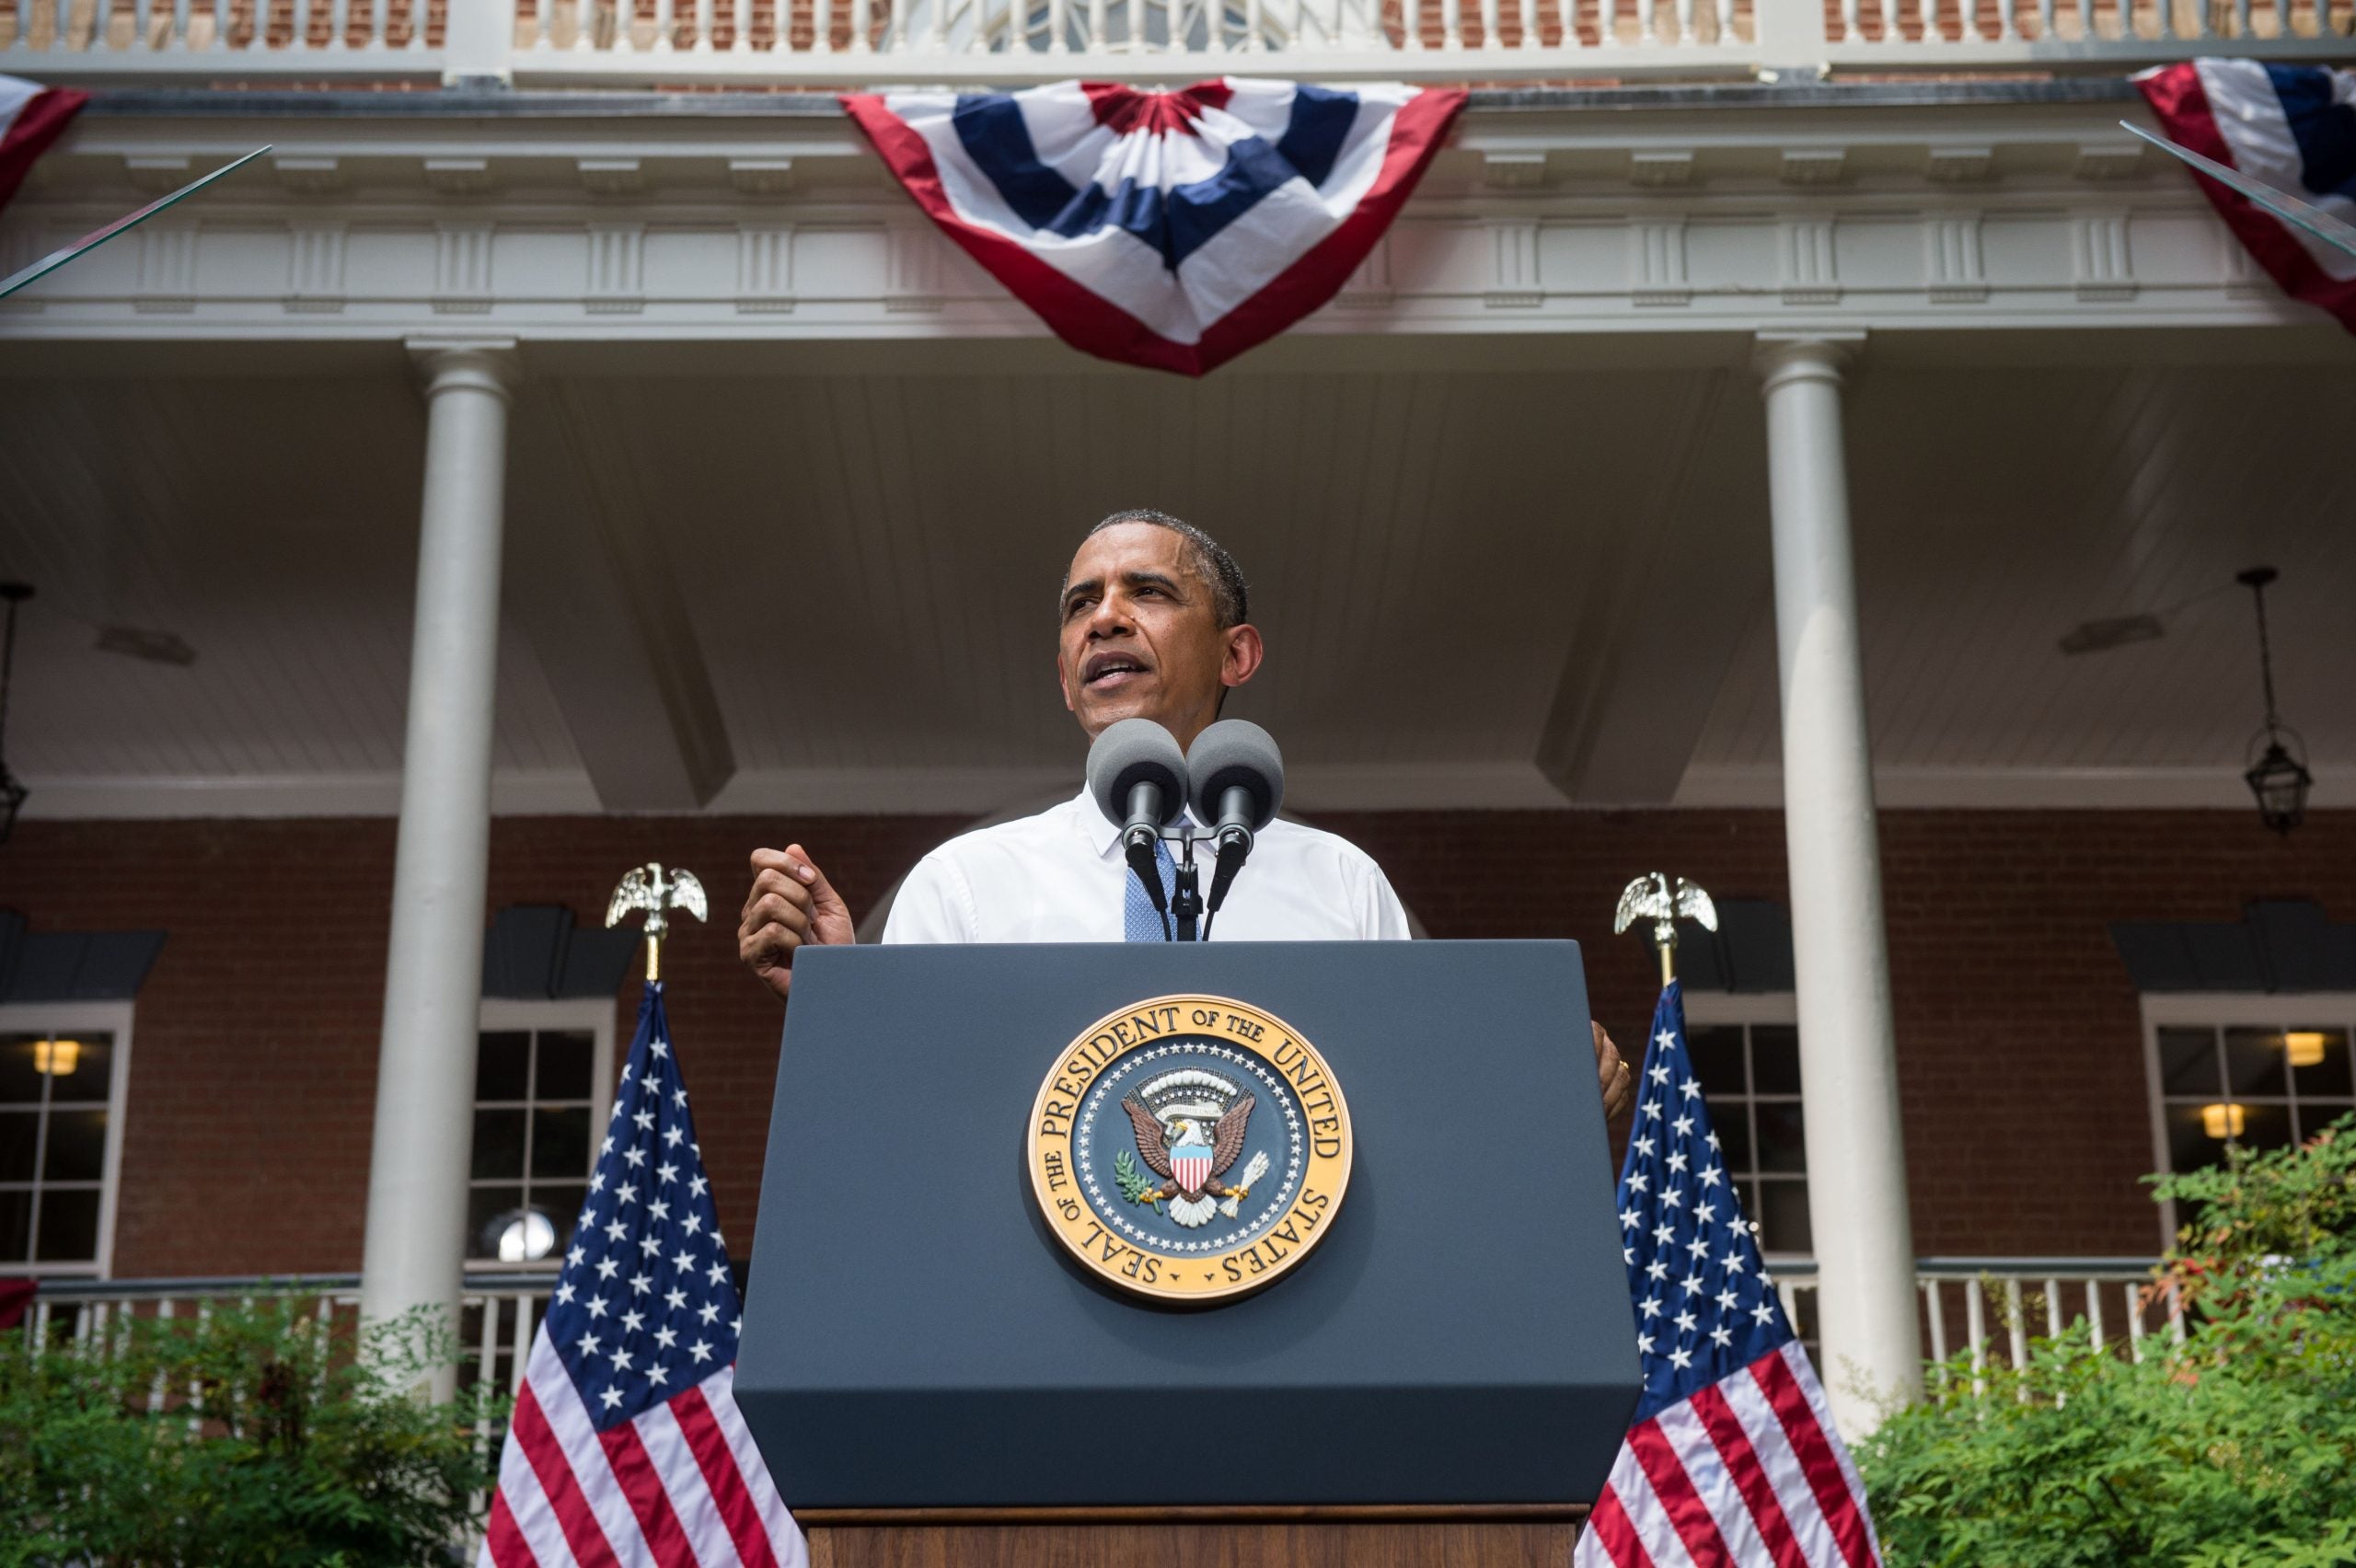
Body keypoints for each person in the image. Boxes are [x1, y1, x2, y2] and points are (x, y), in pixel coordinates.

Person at [737, 507, 1633, 1121]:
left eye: (1148, 593)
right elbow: (908, 1120)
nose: (1105, 619)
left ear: (1236, 652)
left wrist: (1533, 1090)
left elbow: (1414, 1106)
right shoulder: (968, 882)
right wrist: (846, 1001)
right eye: (1080, 604)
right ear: (1062, 674)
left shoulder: (1341, 882)